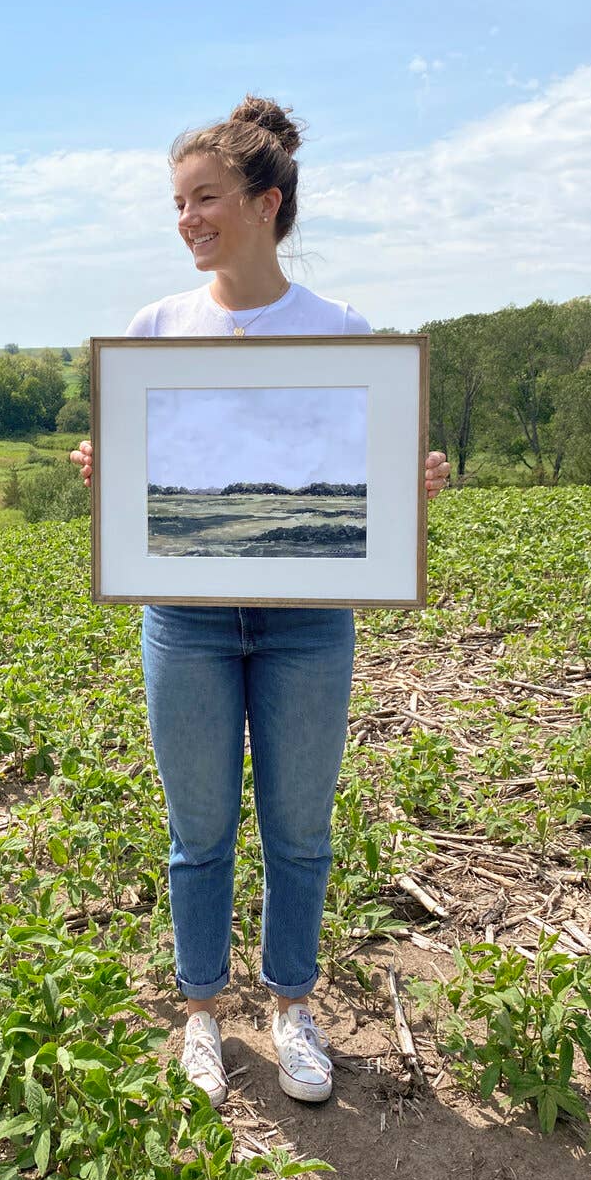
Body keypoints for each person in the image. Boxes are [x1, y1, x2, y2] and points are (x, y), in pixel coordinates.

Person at [70, 95, 450, 1109]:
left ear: (265, 202)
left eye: (204, 198)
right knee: (196, 830)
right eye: (177, 202)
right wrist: (110, 470)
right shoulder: (156, 328)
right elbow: (151, 476)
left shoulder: (339, 332)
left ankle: (290, 1005)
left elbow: (356, 480)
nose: (186, 218)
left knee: (298, 828)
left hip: (306, 623)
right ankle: (202, 1011)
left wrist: (402, 481)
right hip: (185, 618)